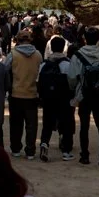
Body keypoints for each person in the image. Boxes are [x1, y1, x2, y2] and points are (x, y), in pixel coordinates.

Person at [69, 26, 99, 168]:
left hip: (84, 94)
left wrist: (74, 89)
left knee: (84, 126)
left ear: (84, 39)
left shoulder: (77, 55)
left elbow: (72, 77)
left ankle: (85, 155)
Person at [5, 29, 42, 159]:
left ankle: (16, 148)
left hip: (16, 93)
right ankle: (30, 150)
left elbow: (5, 69)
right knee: (31, 124)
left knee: (16, 124)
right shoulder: (38, 54)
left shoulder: (13, 54)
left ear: (18, 40)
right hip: (32, 93)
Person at [38, 34, 75, 162]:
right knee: (66, 123)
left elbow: (39, 82)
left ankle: (44, 143)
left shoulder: (44, 65)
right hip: (64, 99)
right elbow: (73, 81)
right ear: (63, 47)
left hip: (48, 98)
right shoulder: (67, 64)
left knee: (47, 123)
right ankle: (66, 151)